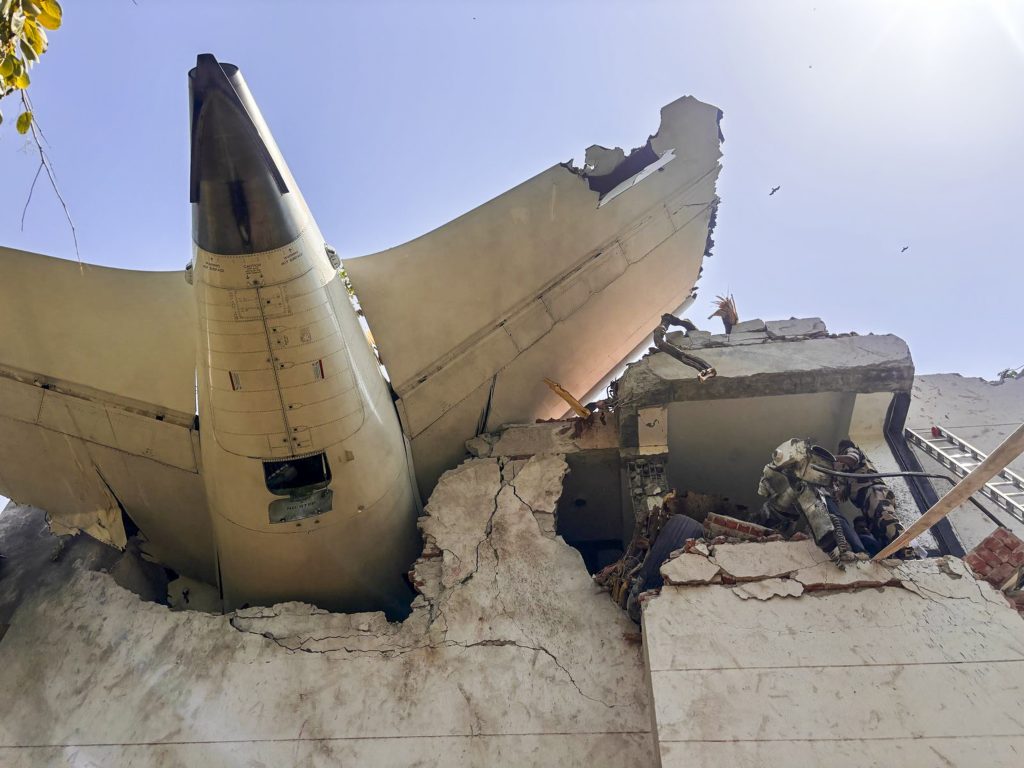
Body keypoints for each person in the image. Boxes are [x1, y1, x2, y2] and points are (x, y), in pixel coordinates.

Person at [834, 439, 906, 555]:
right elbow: (843, 495)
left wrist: (832, 459)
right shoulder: (849, 473)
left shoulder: (851, 450)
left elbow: (852, 459)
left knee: (886, 520)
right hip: (867, 500)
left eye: (841, 451)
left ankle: (906, 549)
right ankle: (894, 554)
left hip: (874, 492)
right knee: (878, 529)